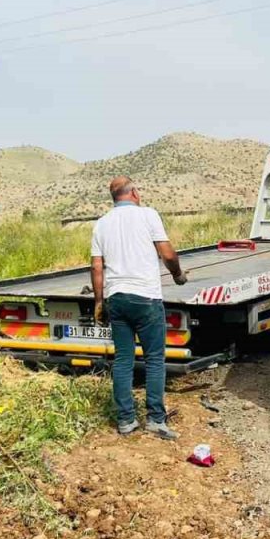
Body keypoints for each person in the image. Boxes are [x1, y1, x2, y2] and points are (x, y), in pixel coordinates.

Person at [90, 176, 188, 439]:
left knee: (123, 360)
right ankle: (156, 419)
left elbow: (97, 266)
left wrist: (99, 302)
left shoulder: (101, 224)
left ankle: (125, 420)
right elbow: (167, 254)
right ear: (133, 193)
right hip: (146, 297)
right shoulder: (148, 215)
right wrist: (178, 275)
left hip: (117, 298)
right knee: (155, 359)